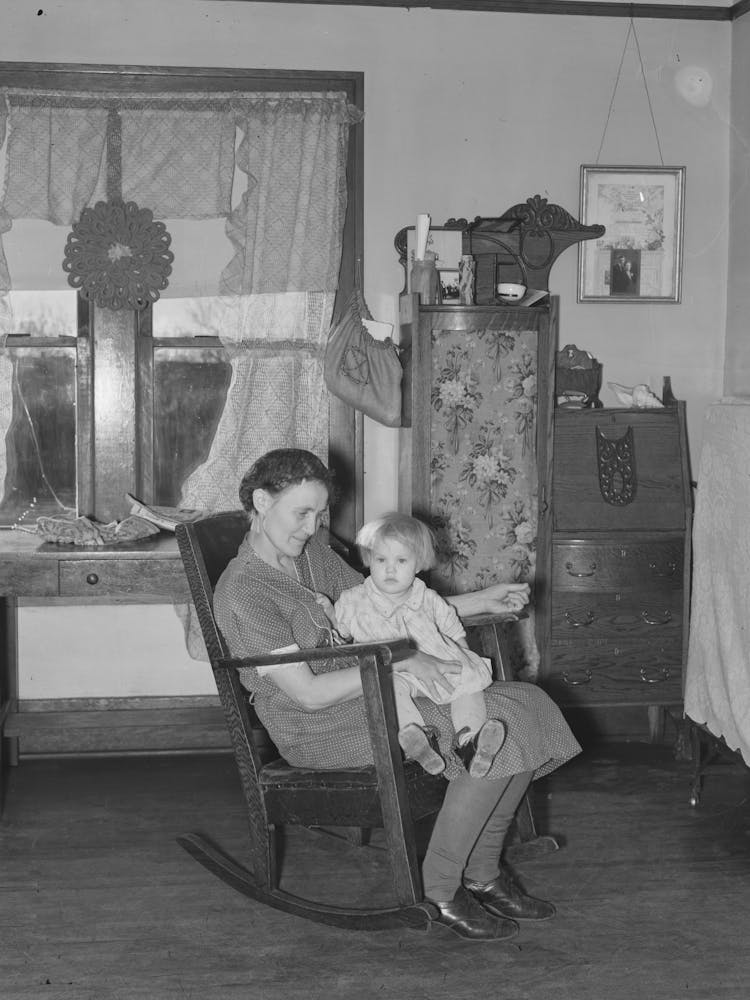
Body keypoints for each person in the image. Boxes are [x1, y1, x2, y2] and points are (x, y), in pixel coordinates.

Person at [214, 449, 582, 942]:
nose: (311, 526)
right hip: (321, 726)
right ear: (262, 501)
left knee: (524, 704)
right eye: (301, 512)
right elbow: (308, 695)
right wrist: (399, 659)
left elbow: (389, 604)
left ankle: (483, 872)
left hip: (380, 692)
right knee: (501, 711)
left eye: (318, 514)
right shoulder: (245, 591)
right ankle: (442, 887)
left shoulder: (310, 556)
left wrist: (480, 600)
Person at [329, 512, 520, 779]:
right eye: (381, 559)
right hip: (396, 672)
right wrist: (329, 613)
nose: (390, 569)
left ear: (418, 564)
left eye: (401, 560)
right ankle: (420, 740)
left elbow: (452, 629)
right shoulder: (354, 601)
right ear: (369, 558)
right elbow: (338, 634)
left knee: (466, 684)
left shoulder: (428, 598)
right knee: (388, 686)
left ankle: (471, 743)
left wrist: (465, 660)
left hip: (436, 665)